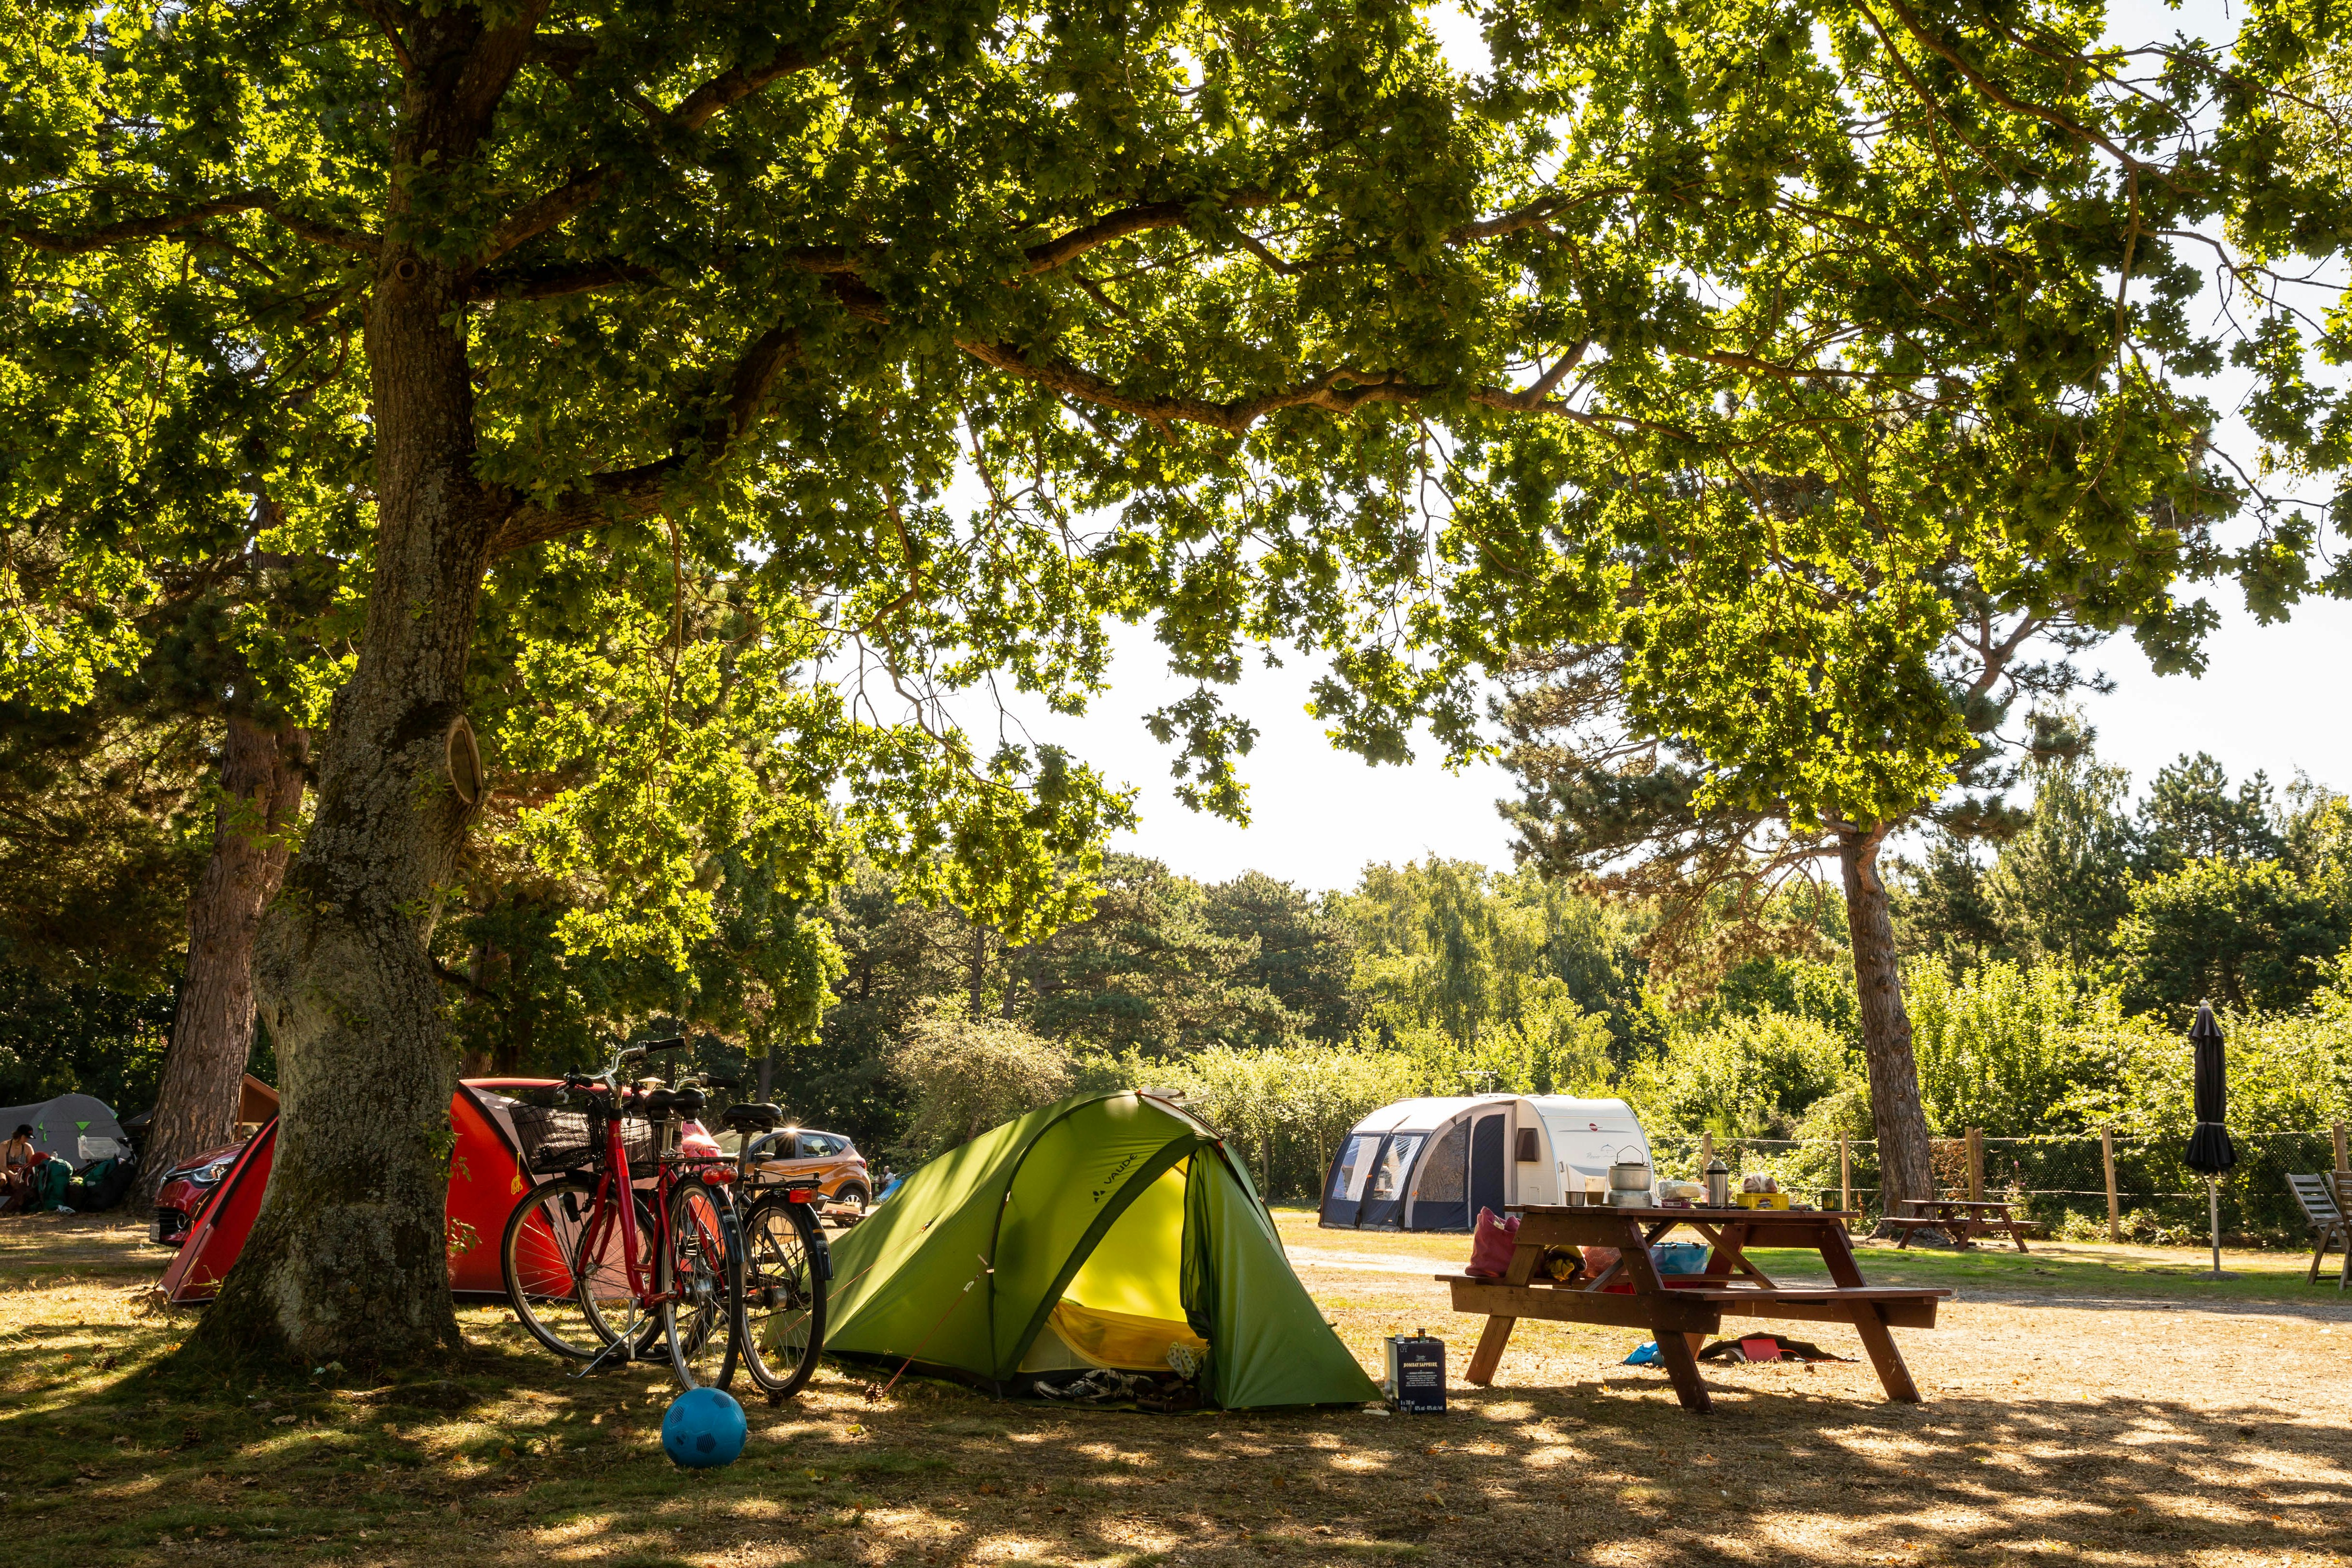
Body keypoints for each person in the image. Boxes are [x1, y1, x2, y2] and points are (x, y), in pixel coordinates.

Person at [1, 1124, 33, 1213]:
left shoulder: (27, 1147)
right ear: (19, 1135)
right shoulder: (5, 1146)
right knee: (2, 1179)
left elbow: (32, 1164)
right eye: (26, 1137)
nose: (27, 1140)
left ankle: (19, 1206)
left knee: (18, 1182)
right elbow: (2, 1166)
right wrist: (12, 1175)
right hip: (5, 1173)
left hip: (20, 1174)